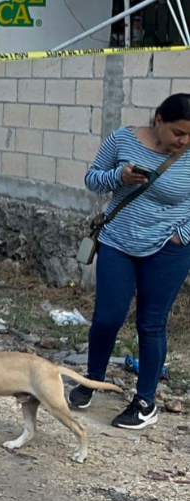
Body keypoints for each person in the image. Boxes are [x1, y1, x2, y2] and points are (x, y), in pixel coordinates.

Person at [71, 93, 190, 429]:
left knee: (151, 324)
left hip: (168, 248)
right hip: (118, 242)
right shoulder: (123, 138)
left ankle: (144, 402)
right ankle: (92, 380)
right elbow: (93, 178)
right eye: (179, 133)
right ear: (158, 121)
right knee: (107, 317)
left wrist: (183, 235)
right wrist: (119, 178)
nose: (184, 141)